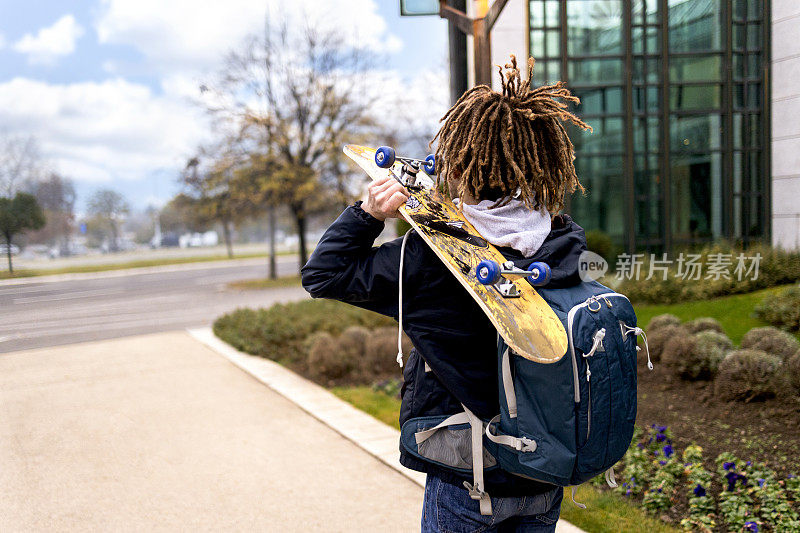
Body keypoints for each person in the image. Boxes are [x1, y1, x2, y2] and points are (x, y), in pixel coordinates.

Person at [301, 56, 592, 532]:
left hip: (468, 478)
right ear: (540, 161)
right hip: (542, 474)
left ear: (461, 159)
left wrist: (368, 214)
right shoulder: (560, 240)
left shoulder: (430, 256)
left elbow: (324, 275)